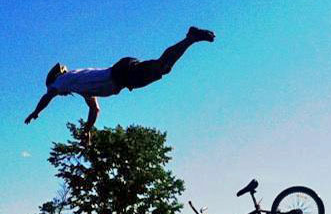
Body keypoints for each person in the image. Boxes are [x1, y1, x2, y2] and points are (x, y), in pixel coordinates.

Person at [24, 26, 215, 143]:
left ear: (54, 81)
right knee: (162, 68)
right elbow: (94, 110)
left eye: (55, 91)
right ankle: (190, 39)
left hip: (121, 73)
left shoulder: (62, 80)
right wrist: (88, 130)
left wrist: (36, 112)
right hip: (123, 75)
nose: (60, 95)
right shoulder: (80, 86)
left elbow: (48, 94)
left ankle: (190, 38)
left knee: (161, 67)